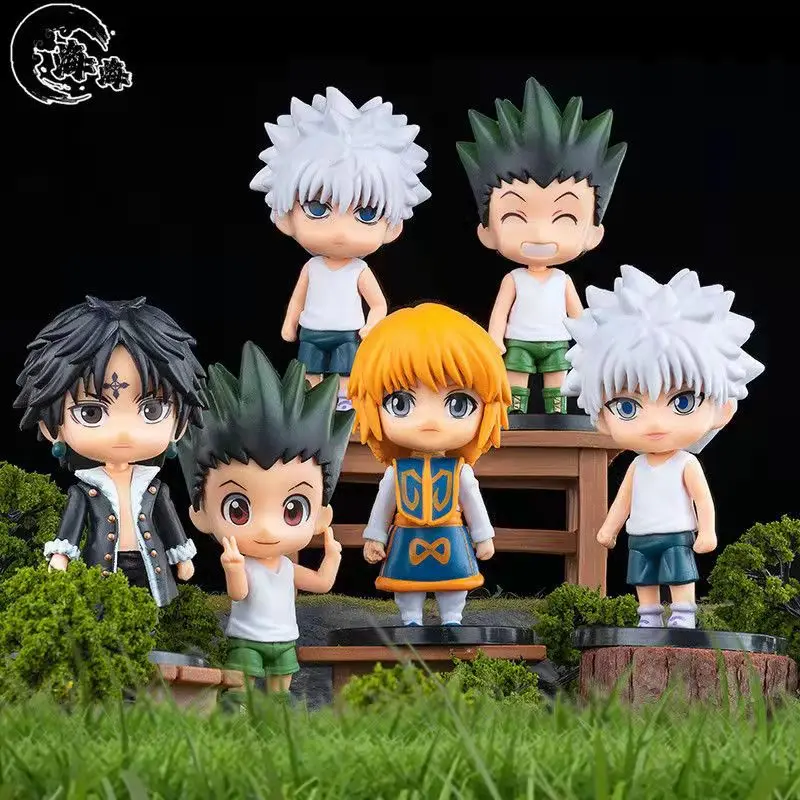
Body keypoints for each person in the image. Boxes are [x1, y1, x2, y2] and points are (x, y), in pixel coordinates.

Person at [562, 265, 764, 628]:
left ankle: (683, 613)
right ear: (601, 419)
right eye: (627, 407)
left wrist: (707, 531)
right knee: (643, 576)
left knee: (678, 573)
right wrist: (609, 528)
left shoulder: (686, 463)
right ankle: (649, 616)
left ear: (723, 409)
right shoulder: (637, 466)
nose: (655, 423)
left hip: (675, 533)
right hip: (640, 534)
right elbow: (623, 501)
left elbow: (702, 500)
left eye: (682, 402)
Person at [177, 342, 352, 694]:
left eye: (293, 510)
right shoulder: (245, 563)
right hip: (247, 639)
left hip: (285, 639)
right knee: (240, 686)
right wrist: (232, 568)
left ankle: (276, 716)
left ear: (321, 516)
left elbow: (321, 584)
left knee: (280, 691)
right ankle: (238, 711)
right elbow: (239, 593)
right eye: (238, 509)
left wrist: (332, 557)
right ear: (201, 515)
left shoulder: (286, 568)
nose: (268, 528)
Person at [14, 296, 207, 607]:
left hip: (151, 564)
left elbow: (170, 524)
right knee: (105, 611)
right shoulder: (83, 492)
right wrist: (61, 555)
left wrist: (182, 556)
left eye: (152, 409)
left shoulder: (155, 488)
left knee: (150, 612)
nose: (123, 432)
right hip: (102, 567)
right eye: (91, 412)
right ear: (52, 428)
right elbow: (72, 527)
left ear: (179, 425)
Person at [250, 86, 431, 411]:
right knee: (310, 372)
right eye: (318, 209)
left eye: (366, 214)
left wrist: (372, 324)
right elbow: (297, 299)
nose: (341, 231)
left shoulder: (359, 269)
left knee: (346, 372)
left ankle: (345, 404)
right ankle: (311, 405)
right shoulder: (312, 268)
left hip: (348, 332)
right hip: (312, 331)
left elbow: (378, 304)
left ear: (392, 227)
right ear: (285, 218)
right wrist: (290, 323)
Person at [457, 77, 626, 414]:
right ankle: (514, 414)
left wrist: (591, 339)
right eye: (514, 216)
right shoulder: (513, 279)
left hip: (556, 341)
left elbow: (578, 314)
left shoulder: (562, 280)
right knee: (515, 382)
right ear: (487, 231)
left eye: (564, 217)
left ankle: (556, 415)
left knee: (557, 384)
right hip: (519, 340)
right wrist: (494, 338)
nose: (539, 232)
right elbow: (500, 312)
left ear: (593, 233)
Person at [348, 303, 511, 626]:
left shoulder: (461, 472)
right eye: (400, 403)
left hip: (451, 532)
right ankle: (411, 618)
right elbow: (383, 505)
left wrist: (483, 536)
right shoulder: (396, 472)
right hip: (407, 535)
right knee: (407, 586)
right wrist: (376, 536)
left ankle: (452, 618)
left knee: (454, 584)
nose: (429, 421)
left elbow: (473, 503)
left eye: (458, 403)